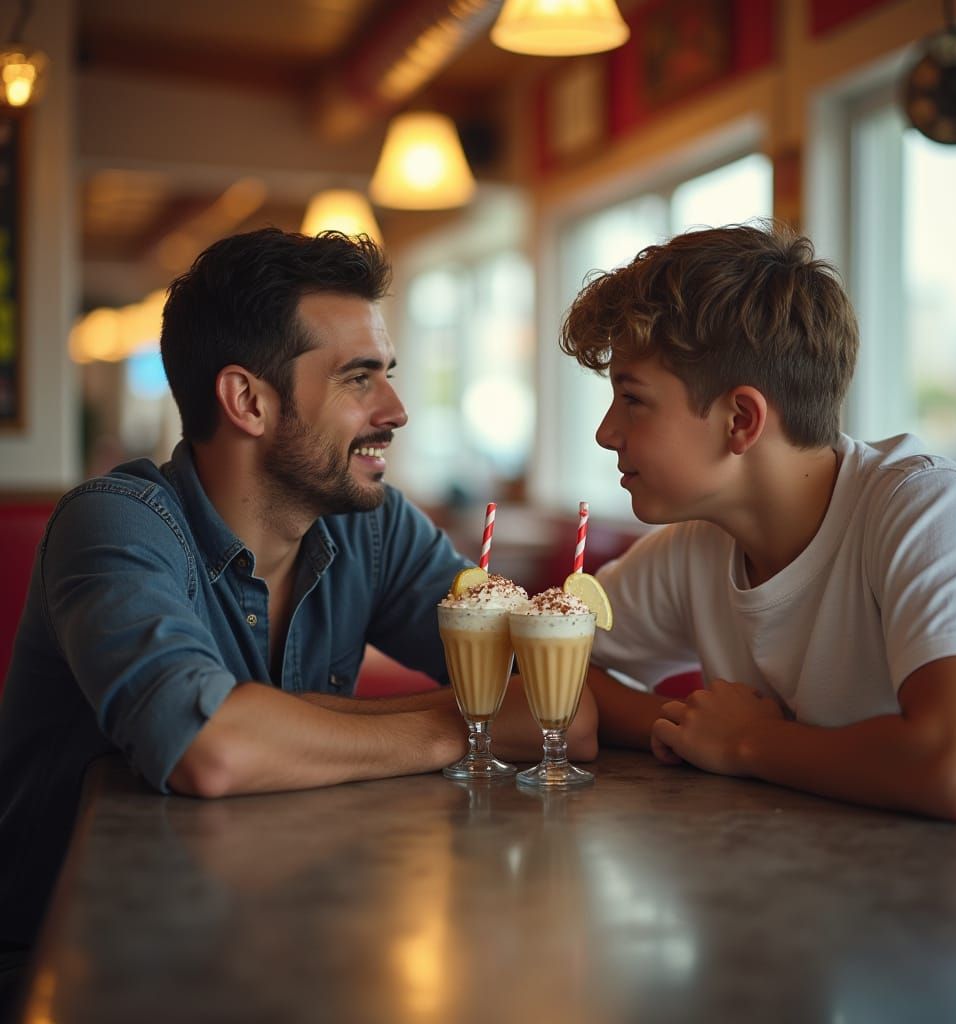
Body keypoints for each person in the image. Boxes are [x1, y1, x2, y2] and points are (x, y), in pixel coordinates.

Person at [0, 228, 597, 1012]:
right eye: (359, 380)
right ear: (248, 400)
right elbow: (210, 751)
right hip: (76, 964)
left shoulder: (370, 528)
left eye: (388, 375)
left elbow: (565, 711)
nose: (397, 409)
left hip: (283, 934)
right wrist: (463, 730)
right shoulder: (115, 524)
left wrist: (297, 721)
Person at [559, 221, 956, 835]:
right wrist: (686, 724)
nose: (605, 431)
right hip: (804, 877)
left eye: (633, 398)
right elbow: (556, 663)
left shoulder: (927, 509)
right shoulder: (701, 542)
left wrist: (751, 742)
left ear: (741, 420)